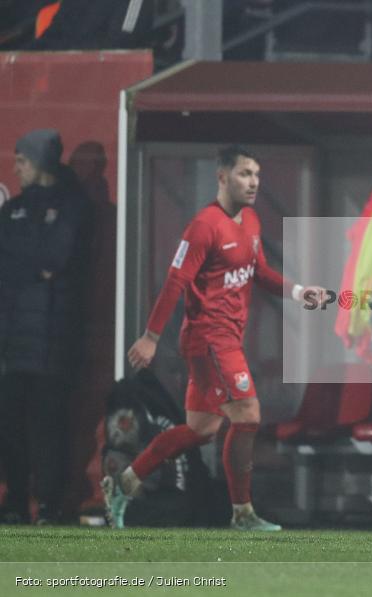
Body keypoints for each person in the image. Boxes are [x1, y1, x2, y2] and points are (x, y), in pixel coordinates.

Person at [102, 145, 325, 531]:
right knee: (248, 415)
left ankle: (124, 483)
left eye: (256, 174)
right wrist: (151, 337)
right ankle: (242, 512)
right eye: (244, 174)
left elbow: (260, 271)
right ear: (221, 177)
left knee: (200, 430)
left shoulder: (251, 220)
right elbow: (175, 282)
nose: (253, 181)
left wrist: (297, 291)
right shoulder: (204, 225)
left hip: (227, 340)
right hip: (209, 339)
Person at [0, 129, 89, 524]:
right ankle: (16, 503)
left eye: (21, 161)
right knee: (9, 427)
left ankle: (50, 507)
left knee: (49, 427)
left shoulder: (74, 206)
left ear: (39, 163)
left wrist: (30, 264)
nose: (15, 168)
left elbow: (56, 257)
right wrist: (34, 268)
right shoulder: (12, 210)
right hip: (11, 342)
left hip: (55, 341)